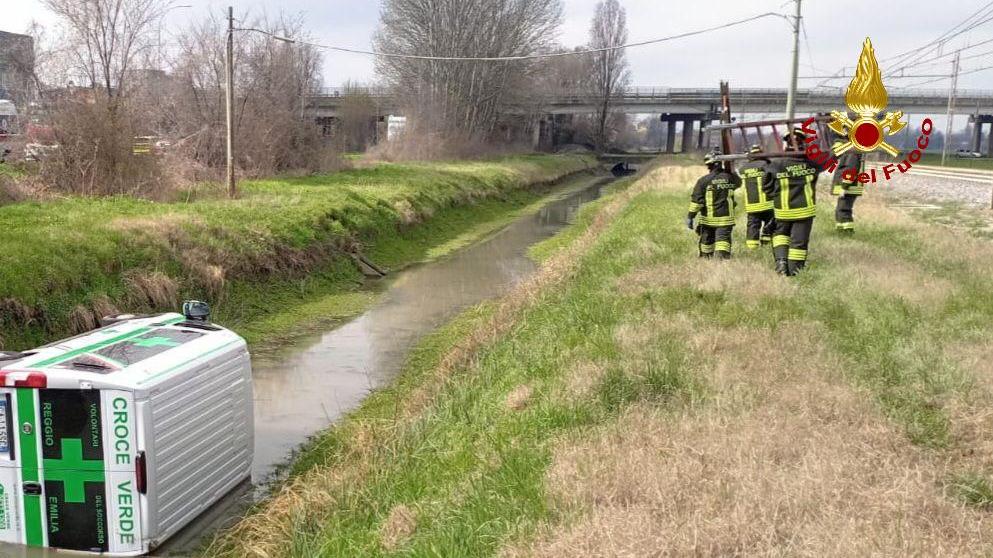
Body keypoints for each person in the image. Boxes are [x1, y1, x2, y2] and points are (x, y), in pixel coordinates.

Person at [764, 128, 821, 276]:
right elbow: (829, 158)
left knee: (780, 235)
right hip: (804, 211)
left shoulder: (776, 164)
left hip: (782, 210)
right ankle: (795, 271)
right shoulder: (812, 163)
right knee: (799, 242)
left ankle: (781, 263)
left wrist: (776, 196)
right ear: (803, 143)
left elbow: (766, 186)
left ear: (786, 143)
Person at [687, 151, 741, 260]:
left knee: (706, 242)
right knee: (723, 241)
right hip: (725, 219)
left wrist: (690, 216)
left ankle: (706, 259)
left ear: (709, 165)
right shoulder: (730, 178)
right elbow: (738, 182)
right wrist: (730, 170)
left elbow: (697, 202)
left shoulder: (703, 181)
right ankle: (722, 261)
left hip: (708, 220)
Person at [737, 144, 776, 249]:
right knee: (770, 224)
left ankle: (752, 248)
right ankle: (766, 245)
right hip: (768, 203)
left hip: (752, 205)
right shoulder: (766, 164)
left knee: (753, 226)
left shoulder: (743, 169)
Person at [831, 140, 865, 234]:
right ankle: (841, 232)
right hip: (849, 187)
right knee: (840, 209)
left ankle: (847, 232)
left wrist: (844, 187)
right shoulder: (850, 151)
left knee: (843, 210)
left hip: (849, 188)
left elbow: (851, 170)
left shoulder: (852, 152)